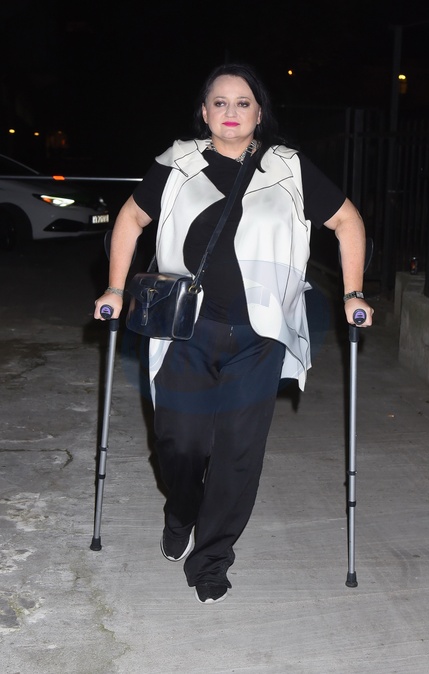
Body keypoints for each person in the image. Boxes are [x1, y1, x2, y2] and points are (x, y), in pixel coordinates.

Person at [94, 63, 374, 605]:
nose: (230, 112)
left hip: (258, 335)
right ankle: (181, 511)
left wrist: (353, 292)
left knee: (238, 453)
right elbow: (130, 219)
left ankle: (212, 558)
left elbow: (347, 221)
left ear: (259, 113)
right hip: (184, 330)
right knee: (179, 444)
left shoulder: (288, 168)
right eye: (219, 102)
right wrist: (115, 287)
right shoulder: (177, 164)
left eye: (242, 103)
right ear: (204, 112)